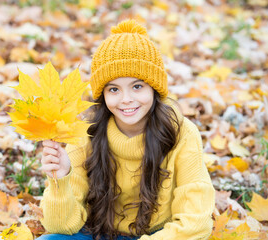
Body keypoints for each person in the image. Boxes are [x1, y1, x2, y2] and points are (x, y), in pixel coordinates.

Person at [37, 19, 215, 240]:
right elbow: (61, 226)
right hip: (100, 233)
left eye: (137, 86)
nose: (126, 100)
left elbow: (195, 222)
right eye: (114, 89)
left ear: (154, 88)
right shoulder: (84, 134)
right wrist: (61, 179)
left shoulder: (182, 133)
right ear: (103, 94)